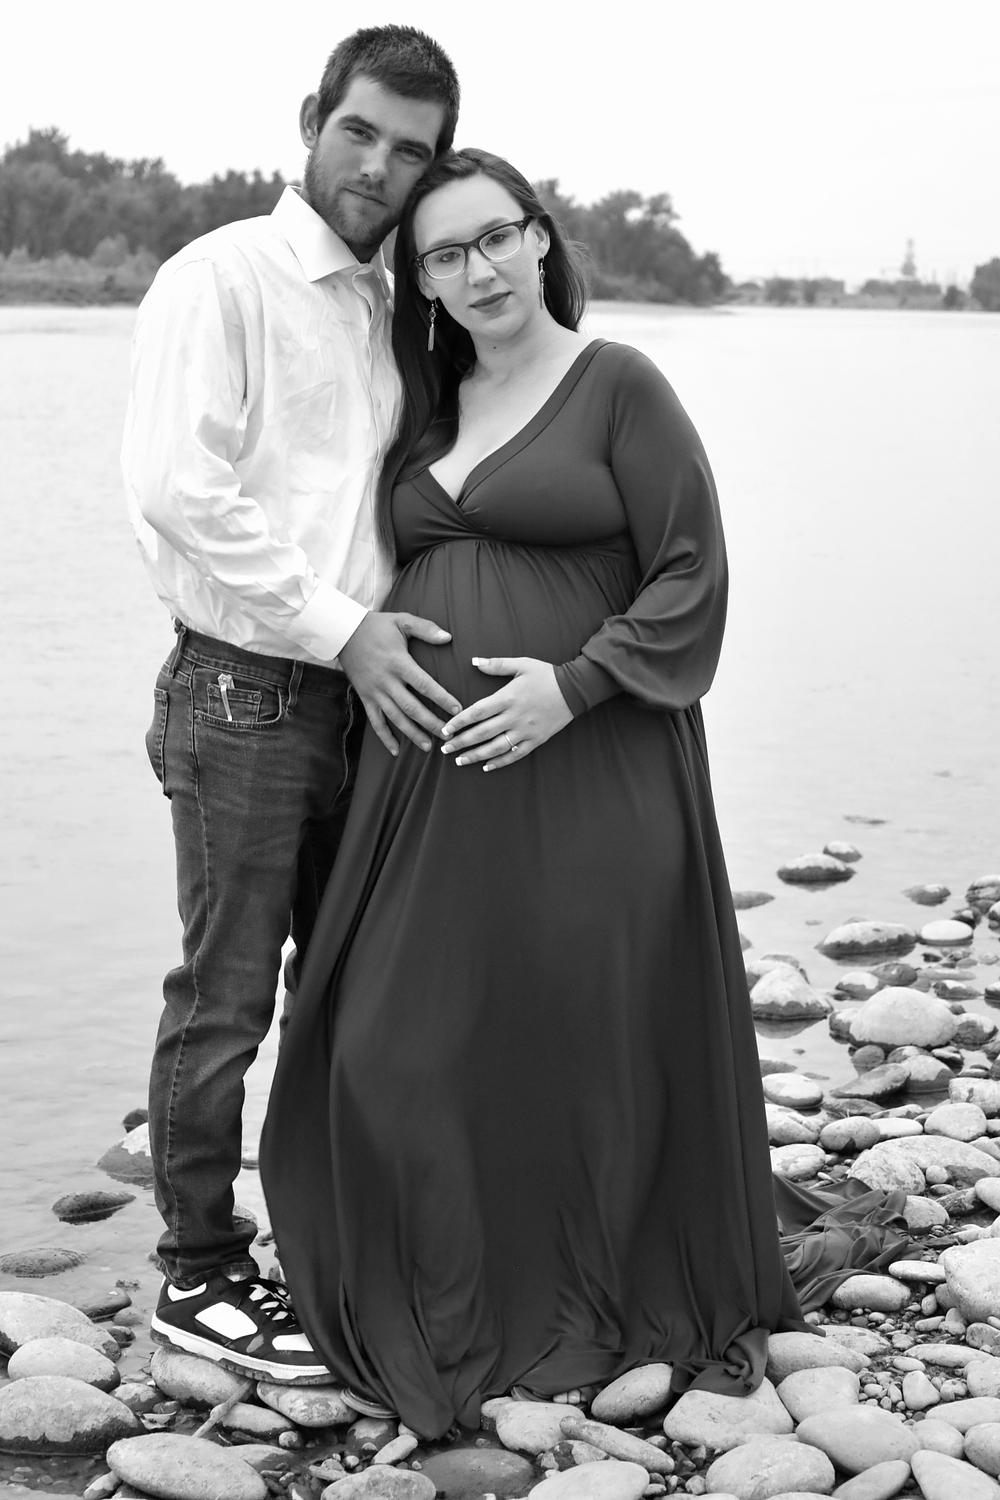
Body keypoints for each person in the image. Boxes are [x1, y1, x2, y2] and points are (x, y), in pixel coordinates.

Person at [260, 149, 910, 1435]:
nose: (478, 270)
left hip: (593, 767)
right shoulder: (423, 405)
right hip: (428, 786)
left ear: (541, 238)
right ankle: (447, 1274)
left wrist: (572, 685)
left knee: (578, 1030)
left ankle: (575, 1285)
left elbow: (691, 572)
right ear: (421, 282)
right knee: (390, 1035)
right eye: (444, 254)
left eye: (496, 237)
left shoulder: (619, 385)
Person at [121, 26, 461, 1385]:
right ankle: (197, 1272)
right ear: (312, 119)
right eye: (360, 131)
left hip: (356, 703)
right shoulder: (223, 277)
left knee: (351, 983)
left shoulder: (390, 307)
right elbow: (177, 488)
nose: (377, 166)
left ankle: (328, 1242)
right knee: (225, 998)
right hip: (244, 692)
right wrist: (343, 629)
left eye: (410, 151)